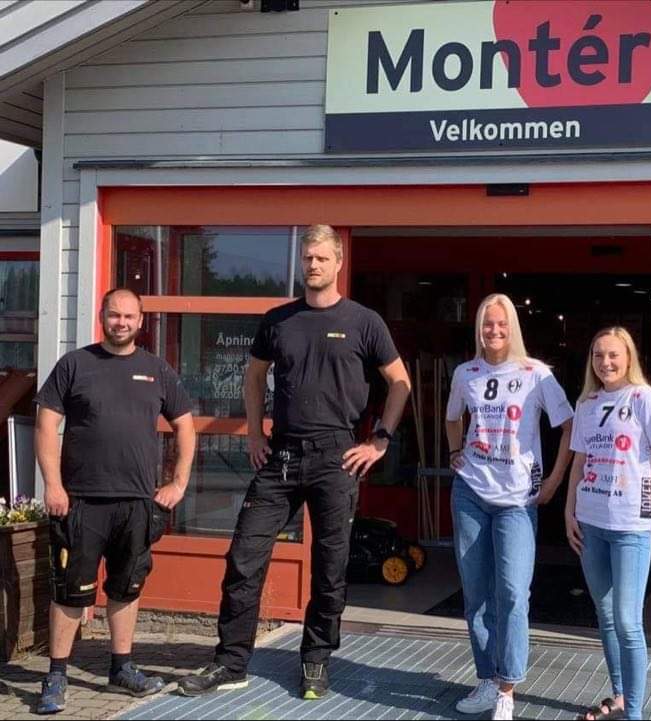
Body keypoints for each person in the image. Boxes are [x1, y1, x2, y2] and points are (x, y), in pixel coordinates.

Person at [178, 224, 410, 699]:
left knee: (330, 567)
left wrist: (380, 440)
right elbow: (254, 376)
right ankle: (231, 663)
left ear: (338, 262)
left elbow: (400, 382)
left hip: (336, 458)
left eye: (322, 258)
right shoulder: (278, 320)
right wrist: (253, 431)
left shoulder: (364, 322)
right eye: (307, 258)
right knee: (244, 558)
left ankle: (316, 659)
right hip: (281, 457)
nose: (313, 265)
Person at [34, 288, 196, 715]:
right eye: (113, 315)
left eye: (128, 316)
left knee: (127, 586)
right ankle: (56, 675)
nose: (120, 322)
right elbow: (46, 426)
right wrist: (53, 485)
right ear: (102, 317)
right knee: (71, 591)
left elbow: (185, 426)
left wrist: (178, 484)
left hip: (137, 503)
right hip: (81, 502)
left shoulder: (157, 370)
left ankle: (121, 667)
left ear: (140, 321)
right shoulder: (74, 365)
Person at [445, 293, 573, 721]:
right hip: (470, 493)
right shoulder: (465, 373)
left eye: (501, 324)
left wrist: (553, 480)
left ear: (512, 327)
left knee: (514, 593)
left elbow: (569, 425)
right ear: (478, 328)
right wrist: (454, 451)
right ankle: (486, 678)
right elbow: (452, 417)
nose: (494, 331)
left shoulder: (536, 373)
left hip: (517, 500)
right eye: (487, 324)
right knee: (476, 594)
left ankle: (507, 686)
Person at [565, 327, 651, 721]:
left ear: (629, 357)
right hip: (590, 524)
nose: (605, 362)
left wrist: (649, 503)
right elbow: (579, 463)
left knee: (629, 622)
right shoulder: (587, 403)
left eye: (613, 354)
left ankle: (634, 714)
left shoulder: (646, 400)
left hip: (631, 528)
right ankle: (620, 695)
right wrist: (569, 512)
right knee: (606, 615)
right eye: (598, 355)